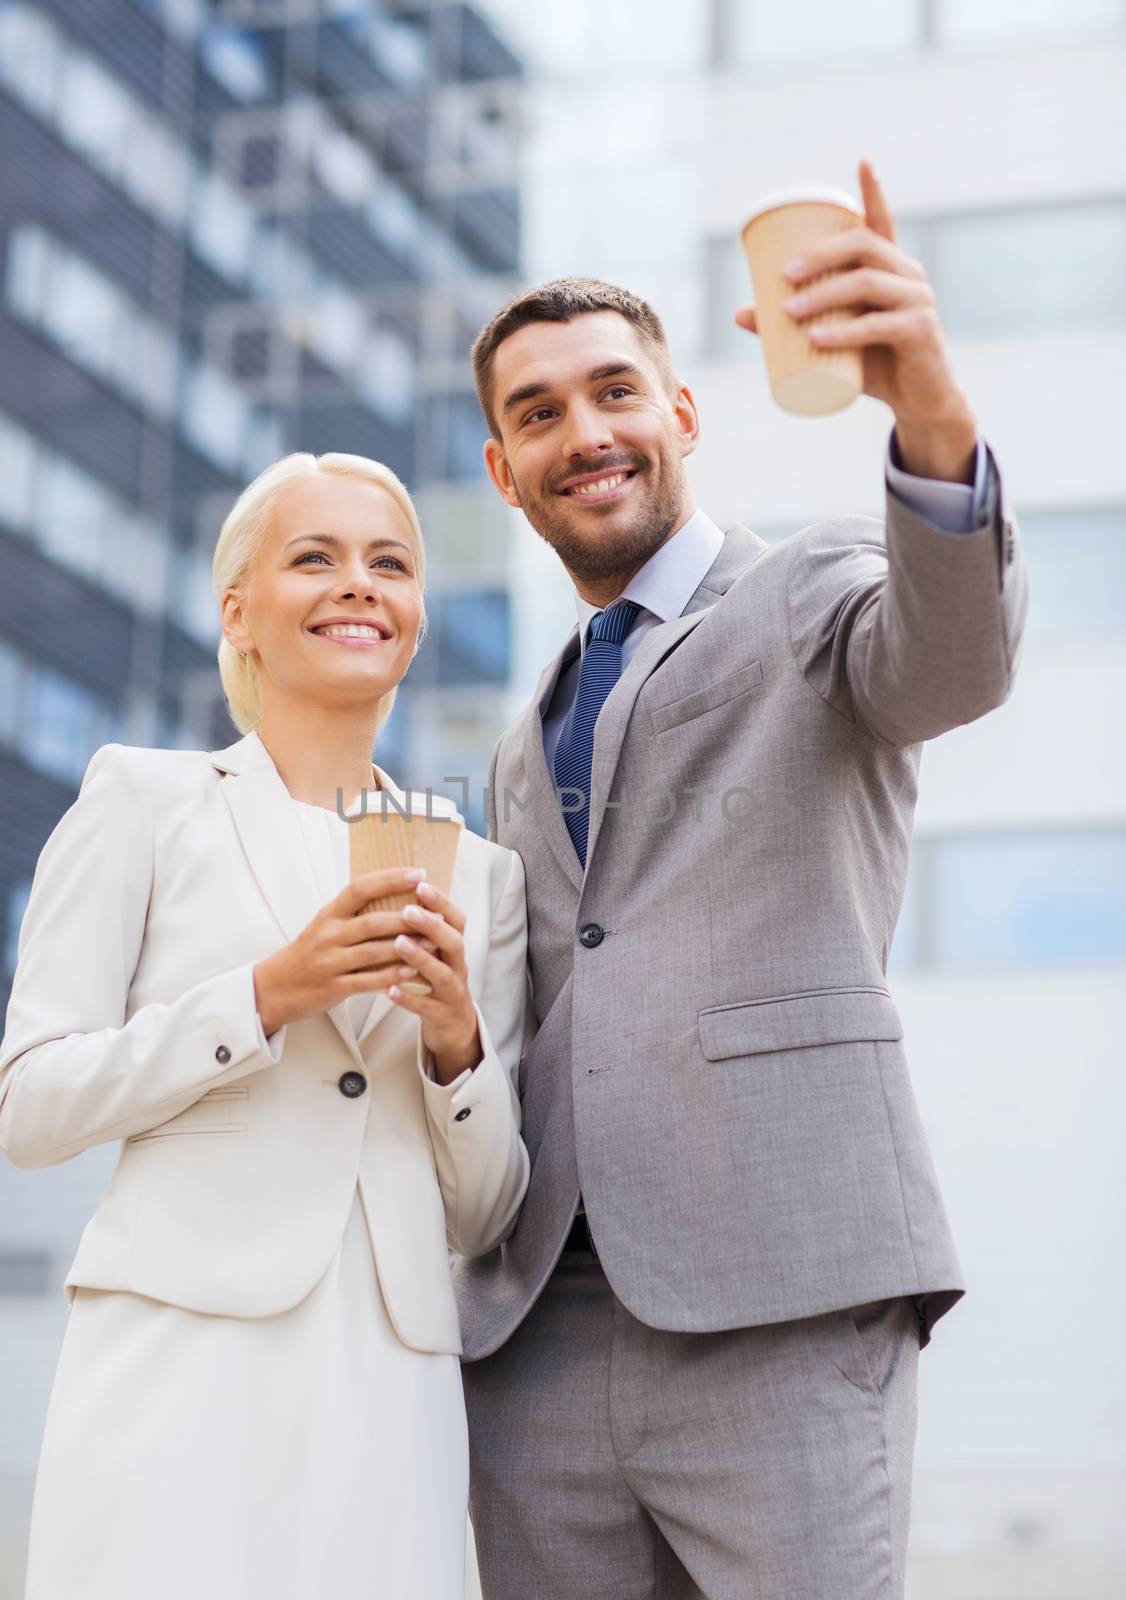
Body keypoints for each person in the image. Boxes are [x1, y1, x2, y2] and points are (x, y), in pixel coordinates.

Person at [456, 161, 1029, 1599]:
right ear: (502, 469)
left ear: (680, 413)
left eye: (612, 392)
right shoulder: (522, 740)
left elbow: (946, 659)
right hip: (537, 1339)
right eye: (538, 415)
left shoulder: (809, 592)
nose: (582, 433)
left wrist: (928, 412)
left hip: (780, 1293)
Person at [0, 451, 530, 1599]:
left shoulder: (482, 875)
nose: (358, 584)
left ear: (416, 617)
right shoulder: (143, 800)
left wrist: (455, 1048)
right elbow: (33, 1107)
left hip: (390, 1374)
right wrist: (263, 995)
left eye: (389, 563)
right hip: (180, 1351)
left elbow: (488, 1209)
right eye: (315, 558)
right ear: (238, 609)